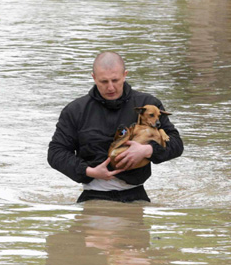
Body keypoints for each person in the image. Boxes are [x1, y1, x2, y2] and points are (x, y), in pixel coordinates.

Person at [48, 51, 183, 203]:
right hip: (93, 195)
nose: (110, 87)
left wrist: (147, 150)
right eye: (104, 82)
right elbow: (55, 153)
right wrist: (89, 171)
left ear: (125, 75)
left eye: (115, 80)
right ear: (93, 78)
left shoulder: (148, 105)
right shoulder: (75, 110)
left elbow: (177, 144)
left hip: (135, 194)